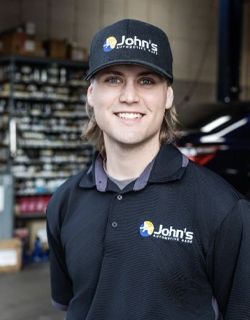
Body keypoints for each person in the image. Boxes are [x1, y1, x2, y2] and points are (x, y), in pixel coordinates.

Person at [46, 19, 250, 320]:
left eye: (146, 81)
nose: (129, 96)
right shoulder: (64, 203)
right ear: (91, 93)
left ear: (167, 95)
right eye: (113, 79)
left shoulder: (222, 209)